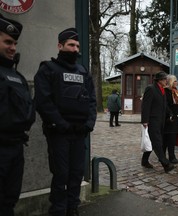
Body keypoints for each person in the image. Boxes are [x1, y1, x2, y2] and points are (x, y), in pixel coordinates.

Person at [34, 28, 97, 216]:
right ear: (60, 46)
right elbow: (44, 102)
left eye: (77, 46)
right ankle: (59, 210)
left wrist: (89, 124)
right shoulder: (48, 70)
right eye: (71, 45)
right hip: (59, 133)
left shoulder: (82, 71)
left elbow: (92, 100)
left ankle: (72, 208)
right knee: (61, 174)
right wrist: (61, 124)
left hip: (79, 133)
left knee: (76, 174)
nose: (75, 49)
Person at [0, 14, 35, 216]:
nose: (13, 47)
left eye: (15, 43)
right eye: (7, 42)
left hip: (16, 148)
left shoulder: (17, 76)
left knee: (9, 200)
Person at [141, 71, 175, 173]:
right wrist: (145, 120)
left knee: (152, 141)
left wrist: (170, 113)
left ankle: (144, 160)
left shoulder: (162, 90)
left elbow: (164, 105)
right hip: (152, 121)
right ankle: (166, 164)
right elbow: (145, 106)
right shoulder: (151, 89)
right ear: (159, 80)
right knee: (157, 142)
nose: (166, 81)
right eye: (165, 79)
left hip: (160, 121)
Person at [163, 75, 178, 164]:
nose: (176, 82)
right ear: (170, 82)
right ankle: (162, 156)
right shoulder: (165, 92)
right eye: (175, 81)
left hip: (175, 118)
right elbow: (165, 105)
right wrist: (170, 114)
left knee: (172, 138)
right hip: (168, 119)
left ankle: (172, 156)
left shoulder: (176, 91)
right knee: (166, 138)